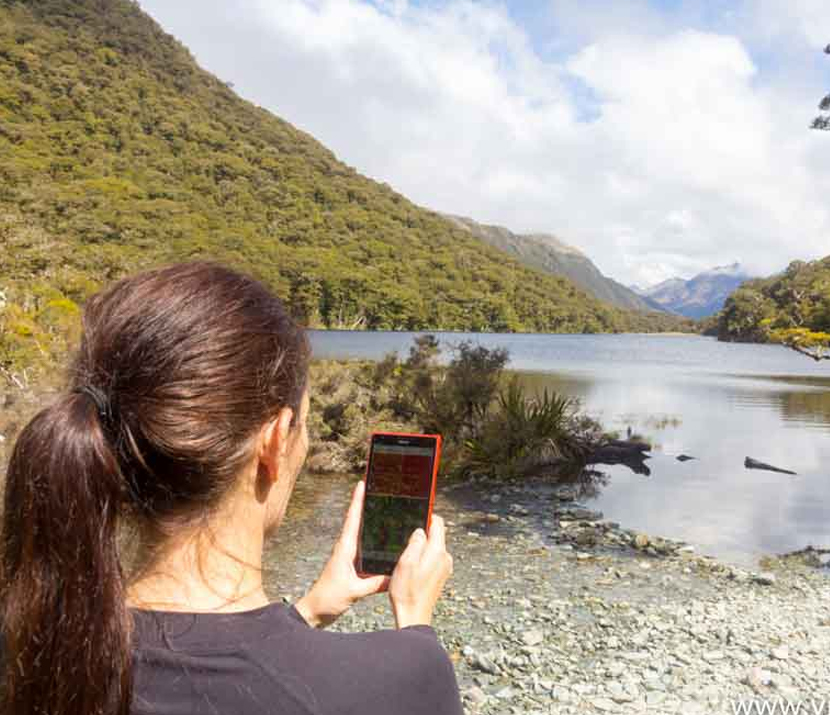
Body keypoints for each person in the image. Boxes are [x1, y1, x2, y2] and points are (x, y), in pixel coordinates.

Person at [0, 262, 461, 715]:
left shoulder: (32, 651)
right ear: (275, 441)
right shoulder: (401, 678)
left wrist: (308, 613)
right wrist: (416, 633)